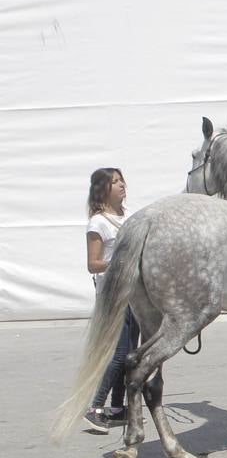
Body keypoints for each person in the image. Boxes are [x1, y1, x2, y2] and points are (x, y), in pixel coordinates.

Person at [82, 167, 140, 434]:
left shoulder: (131, 216)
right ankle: (95, 407)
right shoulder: (98, 222)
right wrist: (121, 262)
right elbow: (93, 264)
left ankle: (117, 408)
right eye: (114, 182)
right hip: (113, 294)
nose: (121, 185)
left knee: (130, 355)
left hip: (135, 292)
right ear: (102, 189)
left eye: (121, 180)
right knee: (118, 354)